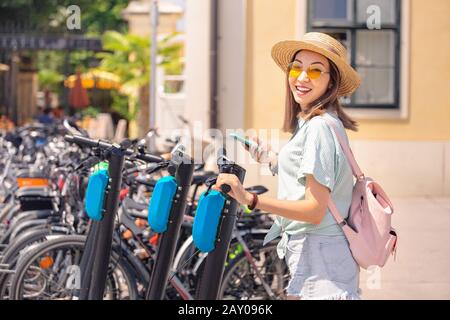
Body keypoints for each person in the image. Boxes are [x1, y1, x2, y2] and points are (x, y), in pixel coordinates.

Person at [212, 32, 362, 300]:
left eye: (316, 71)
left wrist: (250, 198)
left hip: (321, 255)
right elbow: (306, 176)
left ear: (331, 83)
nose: (302, 77)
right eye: (297, 67)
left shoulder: (318, 128)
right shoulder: (311, 121)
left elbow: (315, 210)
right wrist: (271, 159)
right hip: (316, 252)